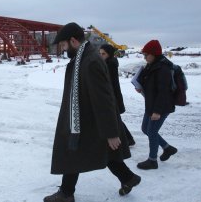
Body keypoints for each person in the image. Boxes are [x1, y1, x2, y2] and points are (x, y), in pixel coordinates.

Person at [44, 23, 140, 202]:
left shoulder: (90, 62)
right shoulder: (83, 59)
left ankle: (66, 193)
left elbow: (105, 99)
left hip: (87, 121)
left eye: (64, 45)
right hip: (86, 119)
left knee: (74, 152)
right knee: (101, 153)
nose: (64, 50)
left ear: (73, 41)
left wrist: (112, 132)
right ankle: (128, 178)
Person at [135, 40, 178, 170]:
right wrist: (140, 86)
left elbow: (163, 92)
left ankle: (152, 160)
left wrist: (157, 111)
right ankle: (167, 148)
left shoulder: (163, 69)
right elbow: (147, 82)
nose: (144, 57)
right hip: (151, 104)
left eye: (146, 54)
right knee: (145, 129)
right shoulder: (151, 65)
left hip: (161, 106)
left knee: (152, 132)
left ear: (154, 54)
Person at [99, 44, 136, 146]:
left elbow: (109, 83)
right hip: (112, 95)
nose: (101, 56)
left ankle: (128, 139)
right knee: (115, 119)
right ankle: (128, 139)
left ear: (109, 54)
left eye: (103, 54)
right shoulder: (108, 63)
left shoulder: (109, 65)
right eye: (100, 53)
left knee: (115, 119)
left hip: (112, 96)